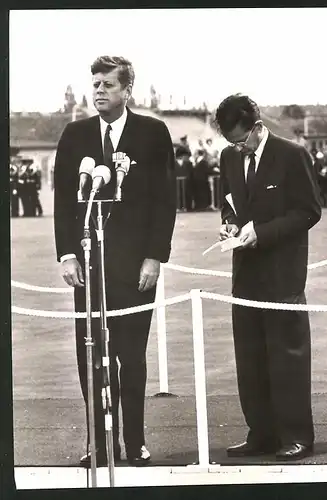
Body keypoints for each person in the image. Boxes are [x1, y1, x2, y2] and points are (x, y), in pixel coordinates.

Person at [53, 55, 176, 467]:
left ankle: (136, 441)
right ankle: (100, 443)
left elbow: (165, 201)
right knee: (90, 356)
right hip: (88, 266)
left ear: (127, 91)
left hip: (135, 268)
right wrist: (68, 253)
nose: (99, 90)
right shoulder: (75, 135)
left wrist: (155, 256)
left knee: (131, 357)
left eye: (108, 84)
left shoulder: (153, 133)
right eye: (96, 84)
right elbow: (62, 201)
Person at [214, 94, 321, 461]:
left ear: (258, 128)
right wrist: (229, 224)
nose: (238, 149)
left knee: (286, 356)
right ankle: (260, 433)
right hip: (244, 273)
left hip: (282, 273)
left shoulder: (292, 155)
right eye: (231, 143)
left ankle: (296, 436)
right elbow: (229, 200)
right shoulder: (229, 156)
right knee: (250, 357)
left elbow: (309, 211)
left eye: (242, 141)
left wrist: (263, 232)